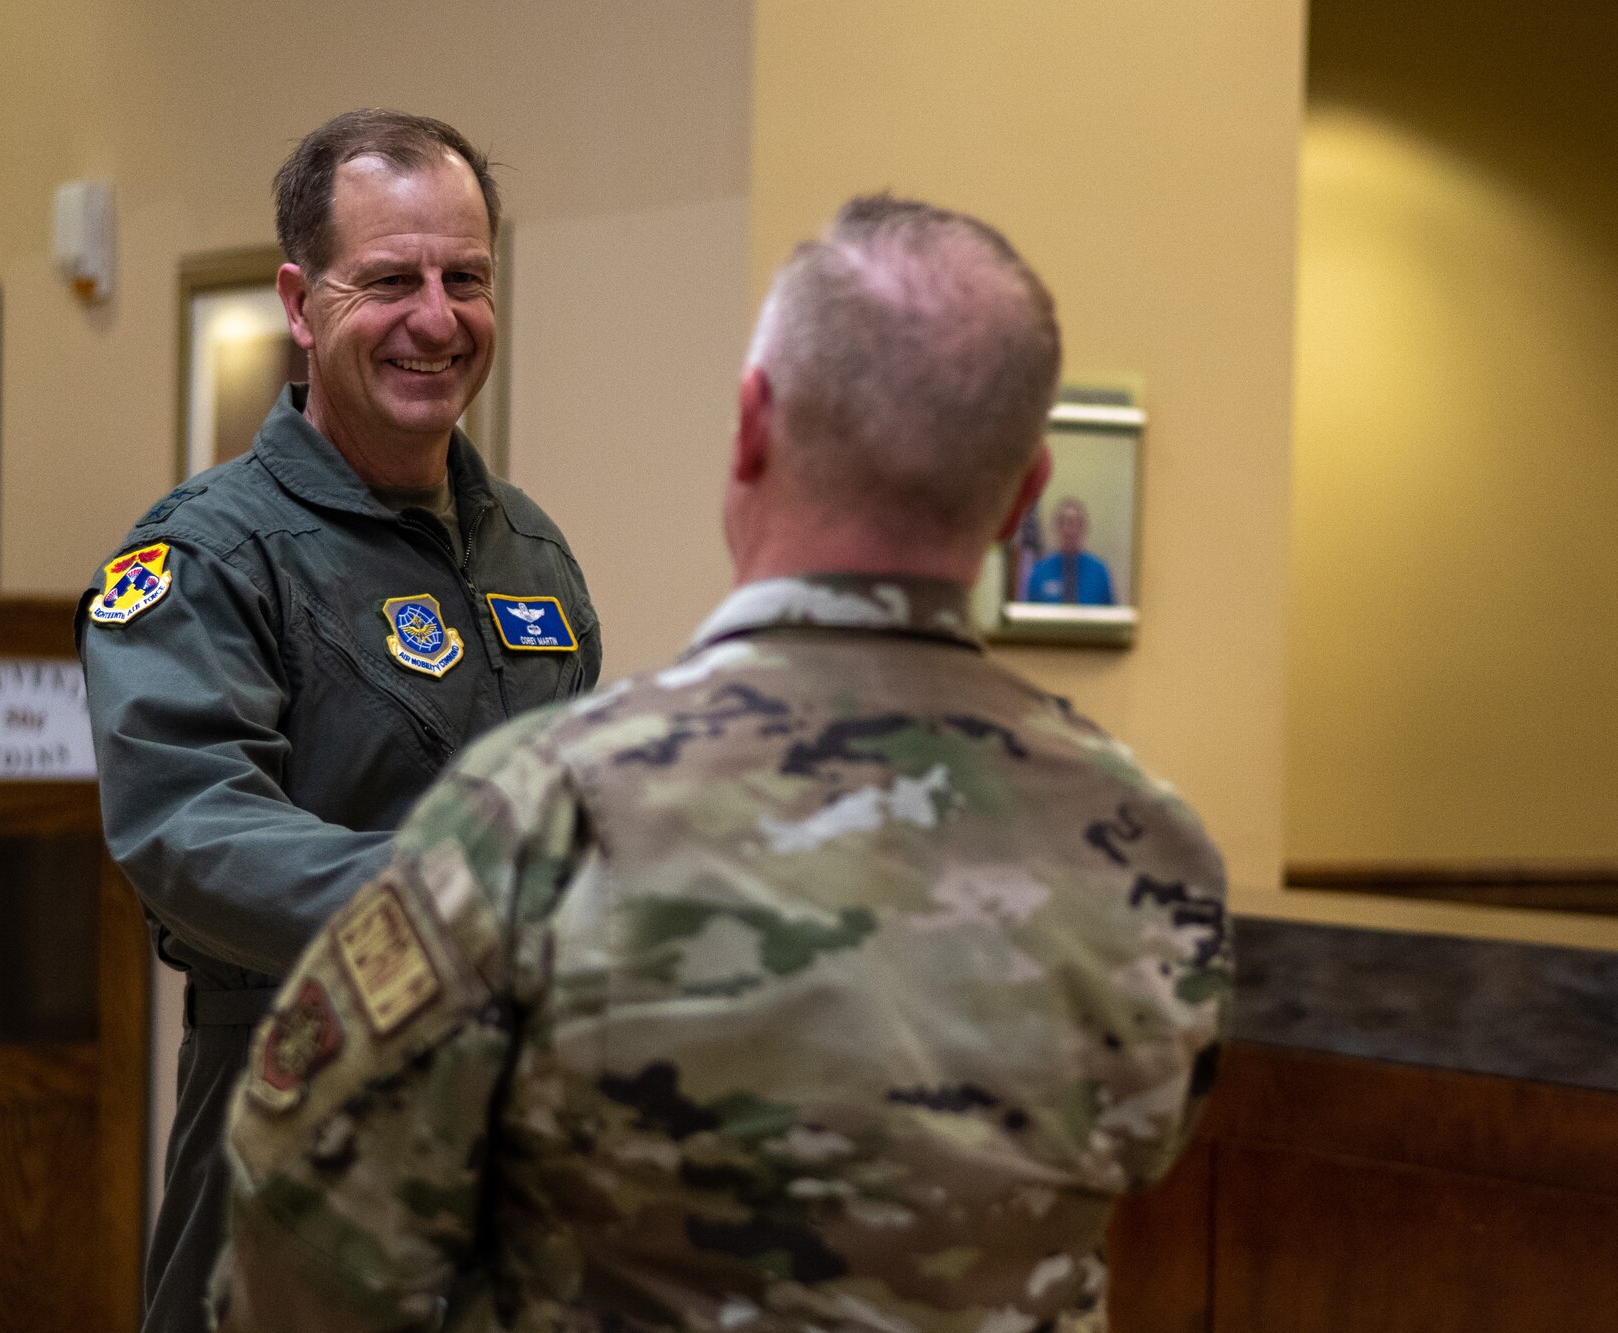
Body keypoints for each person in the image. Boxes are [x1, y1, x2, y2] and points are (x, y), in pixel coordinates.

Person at [210, 195, 1228, 1333]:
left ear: (750, 427)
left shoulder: (549, 815)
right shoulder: (1152, 846)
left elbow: (307, 1236)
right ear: (1027, 494)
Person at [77, 109, 601, 1333]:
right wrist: (474, 902)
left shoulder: (529, 548)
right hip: (299, 1115)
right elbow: (191, 829)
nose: (436, 316)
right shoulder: (204, 555)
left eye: (464, 277)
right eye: (389, 280)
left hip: (520, 1149)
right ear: (298, 304)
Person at [1023, 496, 1115, 605]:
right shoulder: (1040, 571)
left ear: (1084, 527)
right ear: (1055, 527)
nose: (1069, 530)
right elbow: (1030, 616)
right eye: (1063, 522)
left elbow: (1110, 615)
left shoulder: (1099, 571)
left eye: (1075, 523)